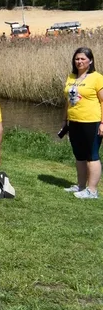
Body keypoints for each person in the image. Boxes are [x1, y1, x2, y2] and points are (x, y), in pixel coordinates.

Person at [63, 47, 103, 199]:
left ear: (90, 61)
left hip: (91, 121)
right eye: (77, 59)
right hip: (74, 121)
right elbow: (67, 101)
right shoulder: (71, 77)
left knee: (91, 155)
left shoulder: (97, 77)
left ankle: (92, 190)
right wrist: (64, 120)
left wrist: (102, 123)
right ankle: (80, 186)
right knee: (79, 155)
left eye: (83, 59)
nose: (79, 61)